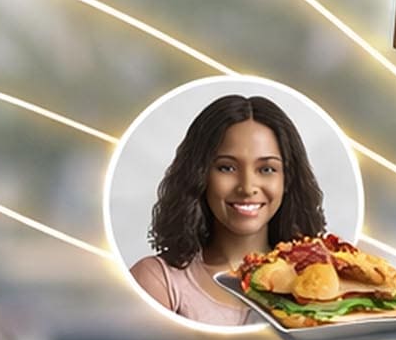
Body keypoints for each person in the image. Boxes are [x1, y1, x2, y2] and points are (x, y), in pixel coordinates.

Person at [129, 94, 328, 327]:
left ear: (288, 180)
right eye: (227, 167)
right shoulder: (159, 281)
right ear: (199, 175)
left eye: (266, 169)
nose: (247, 187)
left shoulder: (320, 276)